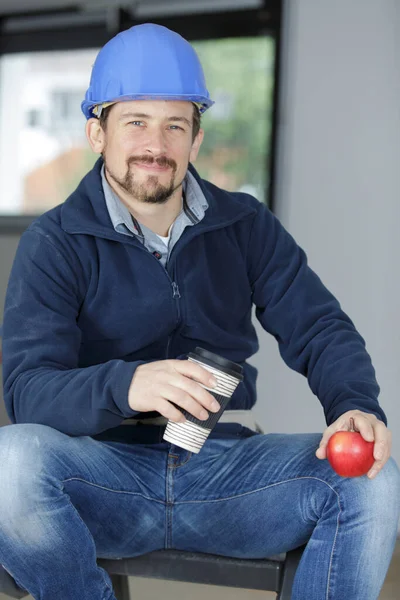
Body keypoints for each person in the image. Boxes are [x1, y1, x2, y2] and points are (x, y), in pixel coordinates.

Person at [0, 23, 399, 600]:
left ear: (196, 139)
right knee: (7, 463)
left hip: (223, 470)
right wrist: (128, 383)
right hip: (101, 473)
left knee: (370, 480)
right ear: (97, 132)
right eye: (136, 121)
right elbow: (28, 392)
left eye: (175, 125)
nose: (155, 145)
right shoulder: (55, 241)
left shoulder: (245, 225)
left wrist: (355, 403)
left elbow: (319, 325)